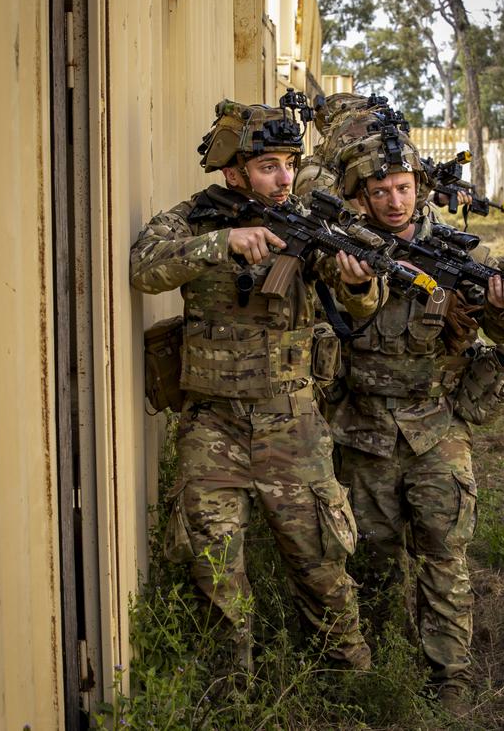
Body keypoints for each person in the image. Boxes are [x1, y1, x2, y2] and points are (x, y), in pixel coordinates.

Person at [130, 95, 382, 675]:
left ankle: (351, 681)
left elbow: (361, 298)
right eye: (269, 166)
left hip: (290, 421)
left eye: (289, 164)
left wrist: (359, 284)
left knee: (322, 564)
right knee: (214, 572)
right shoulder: (195, 217)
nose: (283, 177)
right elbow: (145, 266)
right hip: (210, 426)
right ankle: (231, 690)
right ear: (233, 170)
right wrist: (223, 243)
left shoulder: (310, 223)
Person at [325, 109, 504, 715]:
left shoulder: (461, 248)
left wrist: (498, 307)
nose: (394, 200)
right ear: (363, 195)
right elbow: (342, 316)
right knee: (372, 555)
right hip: (363, 427)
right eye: (382, 191)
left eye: (404, 189)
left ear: (420, 188)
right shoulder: (346, 247)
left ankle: (451, 677)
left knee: (444, 553)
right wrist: (357, 284)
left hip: (437, 426)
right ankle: (383, 663)